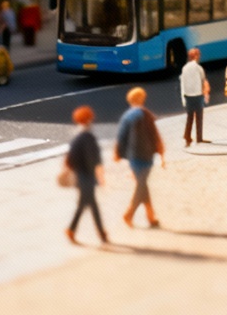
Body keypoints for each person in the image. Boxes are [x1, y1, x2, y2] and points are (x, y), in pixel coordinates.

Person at [112, 87, 165, 228]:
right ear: (142, 99)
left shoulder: (127, 116)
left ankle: (150, 216)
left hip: (134, 156)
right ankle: (130, 214)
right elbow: (155, 135)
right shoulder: (147, 114)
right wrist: (161, 151)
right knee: (142, 185)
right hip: (147, 155)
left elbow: (121, 137)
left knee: (142, 185)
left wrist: (117, 153)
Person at [63, 105, 108, 244]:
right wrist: (99, 174)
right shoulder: (88, 137)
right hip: (86, 177)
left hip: (80, 175)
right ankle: (73, 230)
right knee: (86, 205)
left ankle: (100, 233)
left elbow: (71, 158)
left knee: (90, 205)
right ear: (88, 119)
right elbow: (92, 159)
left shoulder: (77, 136)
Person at [179, 48, 209, 146]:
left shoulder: (184, 68)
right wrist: (205, 94)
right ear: (195, 56)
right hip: (198, 94)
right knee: (199, 117)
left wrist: (183, 97)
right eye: (198, 55)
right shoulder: (198, 68)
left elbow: (182, 82)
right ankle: (199, 138)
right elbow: (203, 80)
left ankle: (187, 136)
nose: (199, 56)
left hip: (188, 95)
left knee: (190, 117)